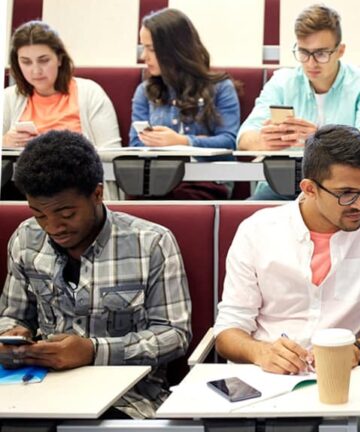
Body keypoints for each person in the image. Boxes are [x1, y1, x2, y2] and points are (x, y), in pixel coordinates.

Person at [0, 130, 192, 418]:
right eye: (39, 214)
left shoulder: (151, 242)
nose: (53, 227)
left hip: (128, 397)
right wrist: (13, 334)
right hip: (38, 388)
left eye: (66, 214)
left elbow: (174, 335)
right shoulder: (25, 238)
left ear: (98, 194)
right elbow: (13, 315)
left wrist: (93, 351)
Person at [214, 125, 360, 374]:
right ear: (309, 189)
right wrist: (260, 352)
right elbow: (228, 330)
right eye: (346, 194)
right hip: (263, 376)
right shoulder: (256, 230)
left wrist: (355, 350)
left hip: (339, 377)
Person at [238, 4, 360, 200]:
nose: (310, 63)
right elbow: (244, 138)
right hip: (281, 186)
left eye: (321, 54)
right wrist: (263, 140)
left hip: (350, 187)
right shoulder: (282, 81)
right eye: (303, 52)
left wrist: (322, 140)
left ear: (340, 50)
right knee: (243, 222)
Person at [3, 20, 121, 200]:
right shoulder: (9, 98)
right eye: (26, 62)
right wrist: (4, 142)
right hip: (22, 191)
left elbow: (112, 154)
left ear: (59, 58)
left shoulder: (89, 93)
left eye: (44, 60)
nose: (36, 71)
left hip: (79, 187)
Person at [130, 8, 240, 200]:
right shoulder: (145, 91)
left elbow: (229, 142)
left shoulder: (220, 87)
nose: (144, 57)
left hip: (207, 180)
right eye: (143, 47)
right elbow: (136, 144)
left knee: (178, 199)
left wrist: (183, 142)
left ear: (175, 49)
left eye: (152, 49)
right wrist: (200, 141)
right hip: (156, 180)